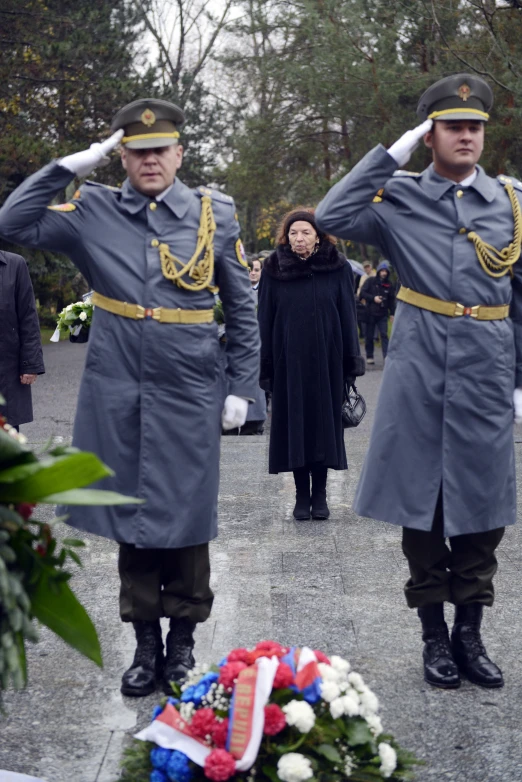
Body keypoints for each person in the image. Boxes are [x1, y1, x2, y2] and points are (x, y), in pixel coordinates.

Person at [0, 98, 260, 697]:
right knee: (131, 510)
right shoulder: (92, 210)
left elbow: (242, 310)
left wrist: (243, 386)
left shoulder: (212, 212)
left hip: (191, 383)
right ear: (122, 155)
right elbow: (13, 222)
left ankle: (184, 644)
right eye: (136, 151)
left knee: (189, 515)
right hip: (117, 384)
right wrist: (73, 164)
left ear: (179, 152)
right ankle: (145, 643)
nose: (149, 160)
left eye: (159, 149)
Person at [315, 73, 522, 690]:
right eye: (454, 126)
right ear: (431, 134)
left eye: (475, 126)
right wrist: (391, 154)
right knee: (423, 500)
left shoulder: (512, 202)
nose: (467, 135)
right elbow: (330, 213)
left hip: (488, 361)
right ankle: (433, 632)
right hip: (421, 361)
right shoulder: (398, 197)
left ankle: (471, 633)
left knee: (484, 503)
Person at [258, 208, 364, 521]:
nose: (299, 238)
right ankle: (300, 498)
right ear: (285, 236)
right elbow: (264, 319)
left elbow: (348, 316)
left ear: (318, 234)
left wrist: (350, 363)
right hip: (287, 363)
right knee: (296, 428)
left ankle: (320, 495)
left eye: (305, 232)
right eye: (293, 233)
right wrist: (265, 367)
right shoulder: (273, 267)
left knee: (323, 429)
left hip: (328, 362)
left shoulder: (337, 266)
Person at [0, 250, 45, 428]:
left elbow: (28, 317)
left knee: (6, 431)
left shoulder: (15, 264)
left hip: (6, 367)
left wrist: (30, 364)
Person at [359, 260, 396, 364]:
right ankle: (369, 356)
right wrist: (373, 298)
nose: (384, 273)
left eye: (385, 271)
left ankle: (386, 356)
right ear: (379, 271)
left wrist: (392, 313)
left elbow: (391, 300)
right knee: (369, 336)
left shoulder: (389, 284)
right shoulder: (370, 281)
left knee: (384, 334)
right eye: (382, 271)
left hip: (383, 314)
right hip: (370, 313)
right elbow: (362, 293)